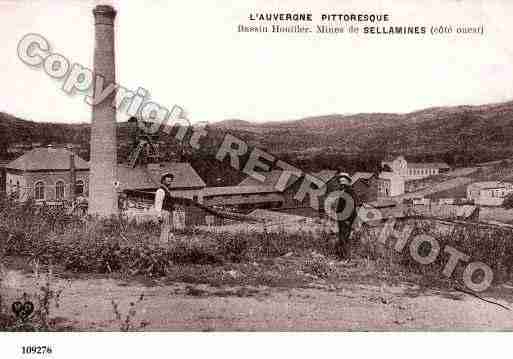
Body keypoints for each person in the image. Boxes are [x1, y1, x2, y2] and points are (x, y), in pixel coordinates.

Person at [333, 172, 358, 260]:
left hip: (347, 219)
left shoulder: (350, 192)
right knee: (342, 238)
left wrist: (348, 220)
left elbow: (352, 207)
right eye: (340, 182)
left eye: (343, 183)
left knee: (344, 238)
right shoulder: (343, 192)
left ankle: (346, 258)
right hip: (342, 219)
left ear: (347, 182)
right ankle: (342, 257)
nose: (341, 184)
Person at [154, 173, 177, 244]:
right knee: (165, 229)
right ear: (163, 180)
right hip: (164, 212)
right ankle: (163, 245)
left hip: (169, 212)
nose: (169, 179)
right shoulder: (160, 191)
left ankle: (167, 244)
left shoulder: (167, 190)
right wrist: (159, 215)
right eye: (167, 178)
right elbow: (158, 203)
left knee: (168, 229)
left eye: (170, 178)